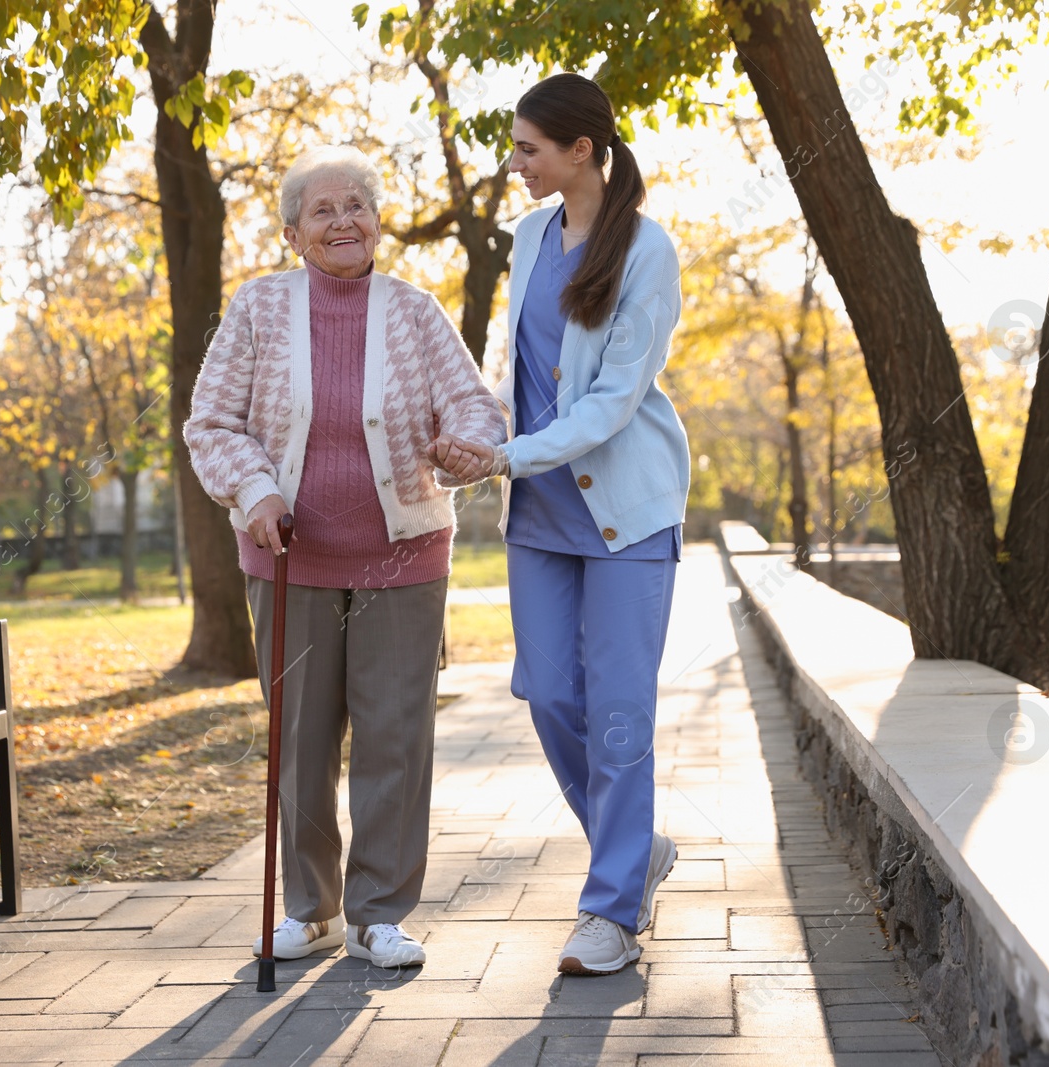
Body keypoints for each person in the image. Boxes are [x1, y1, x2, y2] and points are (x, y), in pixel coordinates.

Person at [185, 144, 507, 969]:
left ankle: (379, 912)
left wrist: (470, 444)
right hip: (288, 557)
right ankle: (311, 907)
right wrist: (254, 489)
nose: (343, 222)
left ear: (377, 223)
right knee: (301, 739)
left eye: (356, 206)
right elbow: (211, 424)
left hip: (402, 557)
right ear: (293, 232)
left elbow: (473, 404)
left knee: (396, 735)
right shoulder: (256, 310)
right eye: (322, 211)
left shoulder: (414, 311)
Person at [433, 72, 690, 976]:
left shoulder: (648, 252)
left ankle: (611, 909)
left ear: (581, 150)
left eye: (529, 149)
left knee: (619, 713)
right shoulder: (533, 233)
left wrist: (510, 454)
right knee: (547, 693)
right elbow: (524, 368)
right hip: (540, 509)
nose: (517, 163)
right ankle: (636, 847)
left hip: (624, 511)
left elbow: (616, 400)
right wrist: (485, 439)